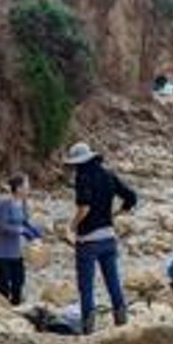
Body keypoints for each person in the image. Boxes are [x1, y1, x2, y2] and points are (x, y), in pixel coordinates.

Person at [65, 142, 138, 334]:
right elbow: (131, 197)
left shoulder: (83, 177)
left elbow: (84, 207)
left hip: (87, 241)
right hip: (108, 238)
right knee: (113, 281)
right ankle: (121, 324)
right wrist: (116, 213)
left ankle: (88, 330)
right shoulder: (109, 175)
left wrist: (71, 227)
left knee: (86, 286)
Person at [0, 174, 40, 306]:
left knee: (19, 281)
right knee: (4, 284)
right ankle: (2, 310)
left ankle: (15, 309)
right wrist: (21, 230)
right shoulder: (4, 204)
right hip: (1, 251)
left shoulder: (23, 203)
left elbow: (24, 222)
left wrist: (33, 232)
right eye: (26, 185)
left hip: (16, 251)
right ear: (18, 188)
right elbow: (2, 226)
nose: (29, 188)